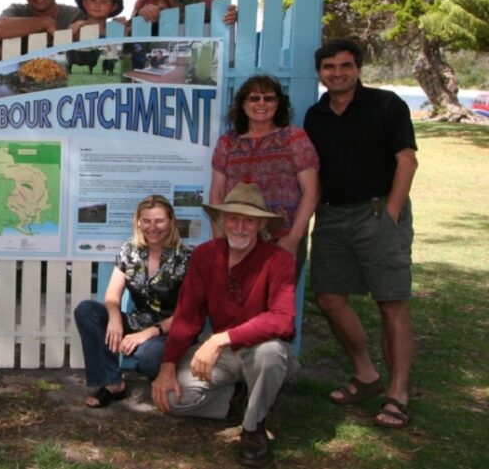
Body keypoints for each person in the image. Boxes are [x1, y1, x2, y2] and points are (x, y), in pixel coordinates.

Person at [304, 38, 418, 429]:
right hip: (332, 216)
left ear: (358, 68)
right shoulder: (316, 115)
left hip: (377, 213)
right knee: (329, 297)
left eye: (345, 66)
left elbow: (407, 160)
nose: (337, 73)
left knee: (391, 302)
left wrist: (391, 213)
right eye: (329, 67)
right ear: (320, 73)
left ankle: (398, 393)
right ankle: (366, 374)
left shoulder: (386, 104)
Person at [151, 182, 297, 468]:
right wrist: (167, 367)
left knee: (269, 354)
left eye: (249, 221)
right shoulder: (205, 255)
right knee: (171, 398)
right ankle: (239, 399)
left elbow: (282, 319)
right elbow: (187, 315)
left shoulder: (278, 259)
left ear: (261, 224)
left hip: (261, 349)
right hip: (223, 352)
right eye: (233, 218)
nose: (240, 227)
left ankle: (253, 429)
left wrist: (220, 339)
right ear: (221, 220)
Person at [73, 195, 191, 408]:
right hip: (138, 322)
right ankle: (113, 383)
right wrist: (114, 318)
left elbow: (188, 313)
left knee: (148, 356)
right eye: (146, 221)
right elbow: (112, 296)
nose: (152, 227)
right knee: (86, 310)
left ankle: (167, 372)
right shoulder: (130, 251)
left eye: (159, 221)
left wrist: (147, 334)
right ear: (138, 222)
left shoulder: (186, 258)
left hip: (170, 330)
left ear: (171, 222)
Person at [210, 75, 320, 267]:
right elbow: (217, 193)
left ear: (278, 103)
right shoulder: (227, 142)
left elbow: (312, 192)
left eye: (268, 98)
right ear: (243, 104)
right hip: (237, 239)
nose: (261, 103)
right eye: (254, 98)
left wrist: (293, 239)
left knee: (279, 288)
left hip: (282, 240)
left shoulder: (294, 138)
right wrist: (220, 240)